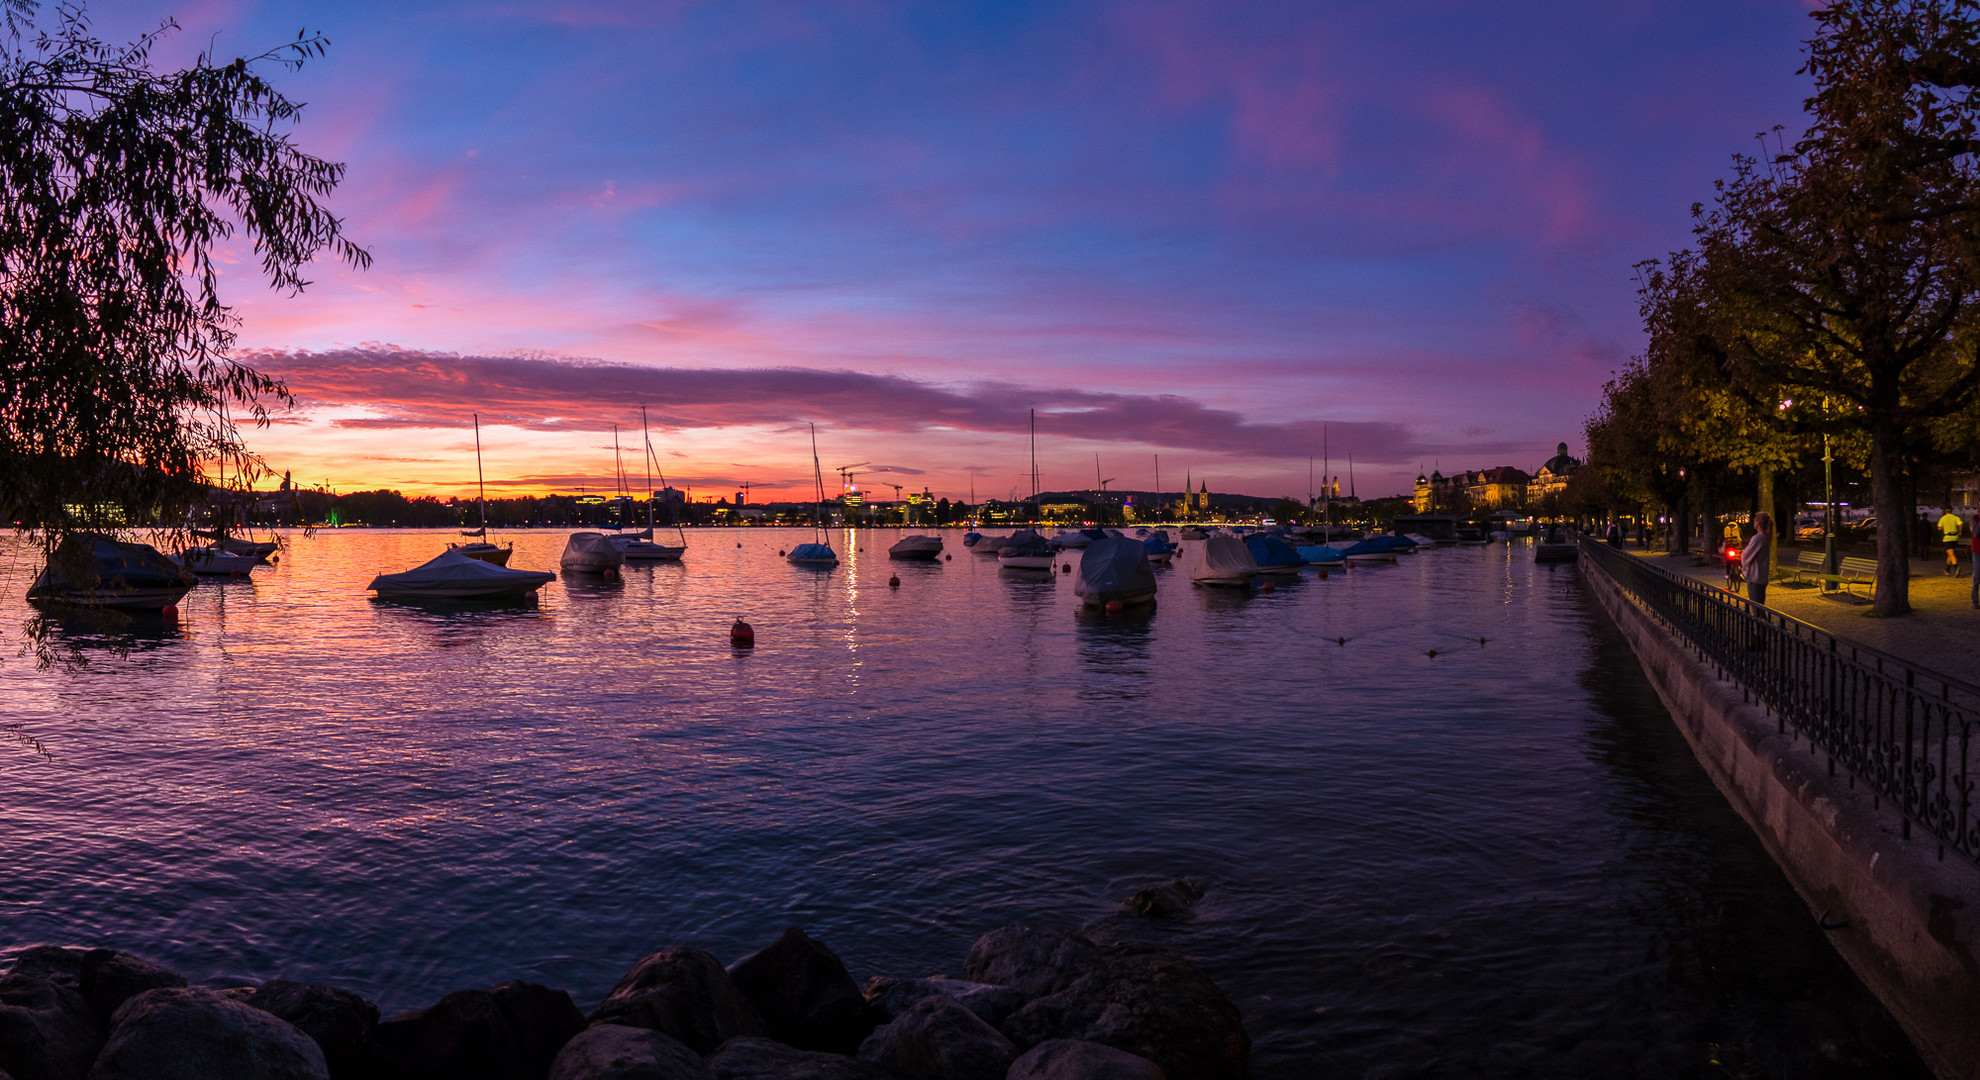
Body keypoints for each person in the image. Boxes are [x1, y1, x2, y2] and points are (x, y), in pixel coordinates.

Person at [1742, 511, 1774, 606]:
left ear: (1758, 523)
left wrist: (1743, 567)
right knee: (1760, 605)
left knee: (1756, 607)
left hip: (1755, 577)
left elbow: (1746, 555)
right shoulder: (1765, 538)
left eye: (1755, 520)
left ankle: (1762, 621)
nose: (1753, 522)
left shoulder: (1757, 538)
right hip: (1762, 576)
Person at [1941, 508, 1965, 576]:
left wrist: (1944, 528)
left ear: (1945, 511)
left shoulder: (1943, 518)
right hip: (1955, 538)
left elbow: (1939, 527)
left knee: (1951, 554)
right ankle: (1947, 569)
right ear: (1952, 511)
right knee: (1950, 553)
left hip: (1947, 538)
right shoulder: (1955, 518)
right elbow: (1960, 524)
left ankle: (1956, 567)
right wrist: (1960, 532)